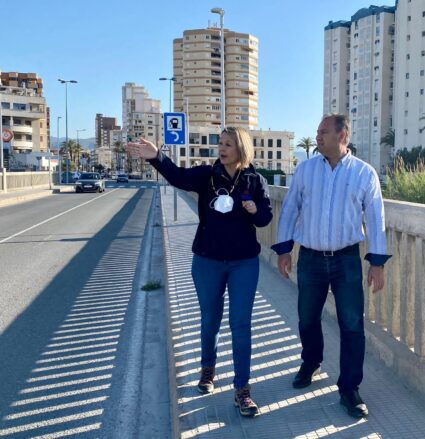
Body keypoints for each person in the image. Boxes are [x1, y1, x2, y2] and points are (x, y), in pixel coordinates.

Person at [128, 127, 272, 417]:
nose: (222, 148)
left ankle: (242, 390)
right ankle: (208, 369)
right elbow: (179, 177)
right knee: (210, 320)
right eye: (221, 143)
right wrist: (156, 157)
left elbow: (265, 219)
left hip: (244, 263)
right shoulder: (207, 175)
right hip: (207, 261)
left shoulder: (255, 180)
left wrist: (254, 210)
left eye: (228, 144)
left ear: (241, 149)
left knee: (241, 324)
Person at [271, 113, 390, 419]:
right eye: (317, 132)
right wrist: (284, 249)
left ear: (342, 136)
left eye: (323, 132)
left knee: (352, 325)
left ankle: (349, 389)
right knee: (307, 318)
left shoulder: (364, 173)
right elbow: (290, 209)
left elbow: (376, 218)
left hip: (346, 259)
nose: (318, 136)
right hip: (310, 258)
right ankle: (311, 362)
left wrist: (377, 262)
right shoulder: (306, 170)